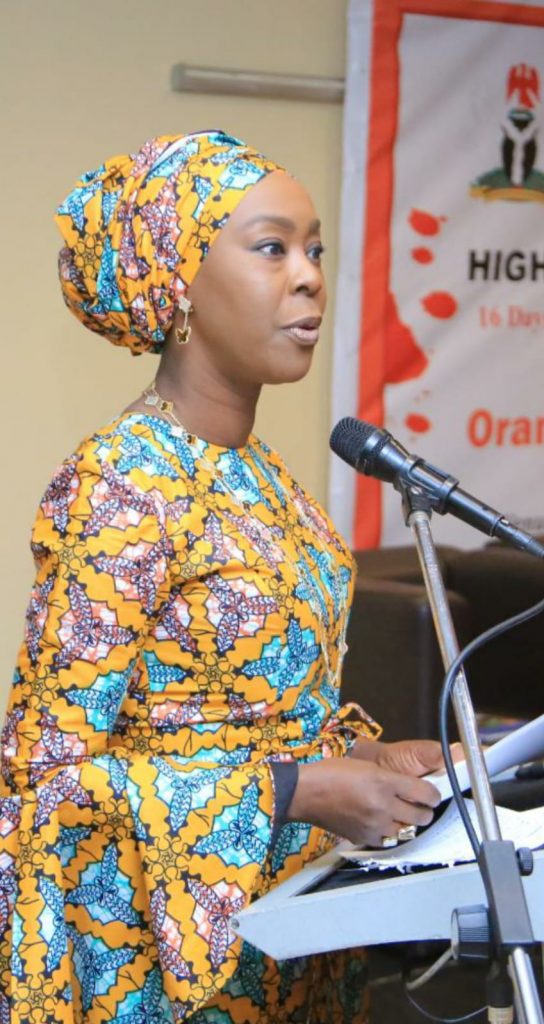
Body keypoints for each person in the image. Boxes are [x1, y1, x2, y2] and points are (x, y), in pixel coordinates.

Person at [0, 131, 448, 1024]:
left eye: (315, 249)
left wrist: (370, 759)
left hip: (291, 943)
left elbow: (245, 713)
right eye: (272, 248)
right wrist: (299, 792)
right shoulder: (121, 483)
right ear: (178, 283)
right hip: (165, 975)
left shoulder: (265, 476)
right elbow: (43, 780)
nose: (310, 277)